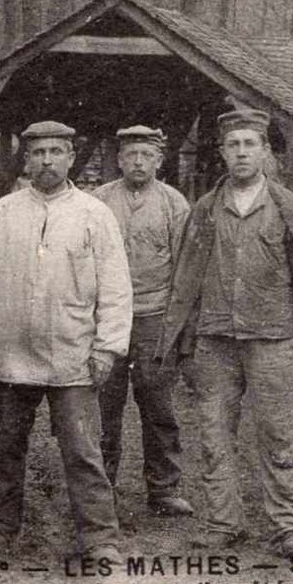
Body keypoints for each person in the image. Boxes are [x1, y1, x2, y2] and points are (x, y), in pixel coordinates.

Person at [160, 109, 293, 560]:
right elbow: (188, 281)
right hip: (215, 341)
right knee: (212, 433)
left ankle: (291, 524)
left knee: (280, 432)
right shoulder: (205, 210)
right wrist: (186, 344)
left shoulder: (289, 209)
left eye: (250, 144)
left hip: (274, 339)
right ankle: (223, 521)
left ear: (264, 151)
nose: (241, 153)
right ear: (222, 152)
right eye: (233, 145)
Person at [0, 121, 132, 564]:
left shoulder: (94, 214)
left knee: (82, 450)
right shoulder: (4, 212)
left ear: (71, 157)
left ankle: (99, 537)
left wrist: (107, 347)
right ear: (27, 158)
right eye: (38, 153)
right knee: (6, 447)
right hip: (12, 351)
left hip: (73, 351)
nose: (47, 161)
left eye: (56, 152)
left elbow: (115, 288)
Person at [92, 126, 193, 518]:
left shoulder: (173, 203)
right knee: (104, 405)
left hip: (155, 318)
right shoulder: (99, 202)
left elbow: (184, 266)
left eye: (146, 155)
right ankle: (102, 489)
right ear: (118, 159)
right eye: (131, 154)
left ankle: (164, 489)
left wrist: (177, 324)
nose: (137, 162)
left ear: (158, 160)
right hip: (108, 319)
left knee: (158, 405)